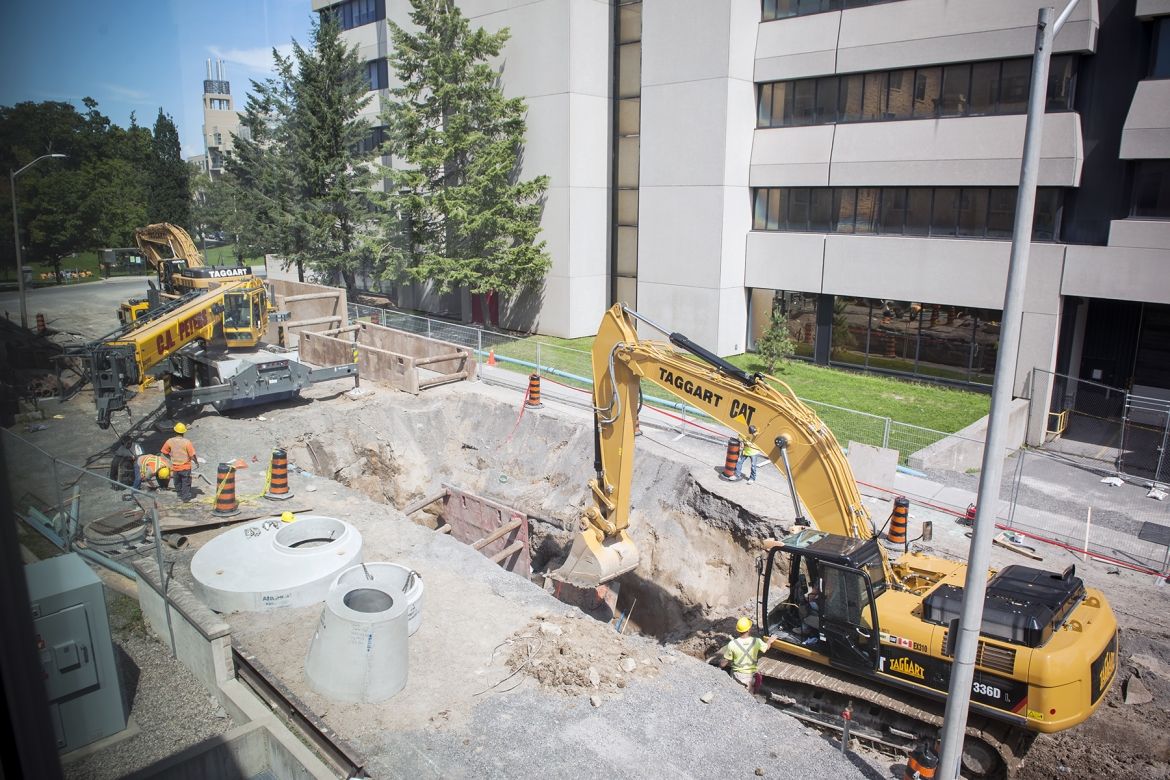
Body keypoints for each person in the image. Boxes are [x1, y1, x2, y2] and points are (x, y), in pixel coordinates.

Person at [719, 617, 773, 690]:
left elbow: (724, 663)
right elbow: (766, 647)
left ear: (738, 630)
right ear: (749, 629)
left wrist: (718, 668)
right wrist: (770, 641)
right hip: (751, 677)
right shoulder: (756, 641)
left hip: (737, 676)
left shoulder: (732, 644)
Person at [161, 422, 199, 502]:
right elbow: (192, 455)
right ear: (183, 432)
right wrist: (196, 462)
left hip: (175, 467)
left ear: (175, 431)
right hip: (185, 467)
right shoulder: (187, 442)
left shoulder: (169, 441)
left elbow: (164, 451)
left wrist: (171, 457)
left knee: (177, 482)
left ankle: (179, 495)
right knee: (186, 483)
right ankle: (185, 498)